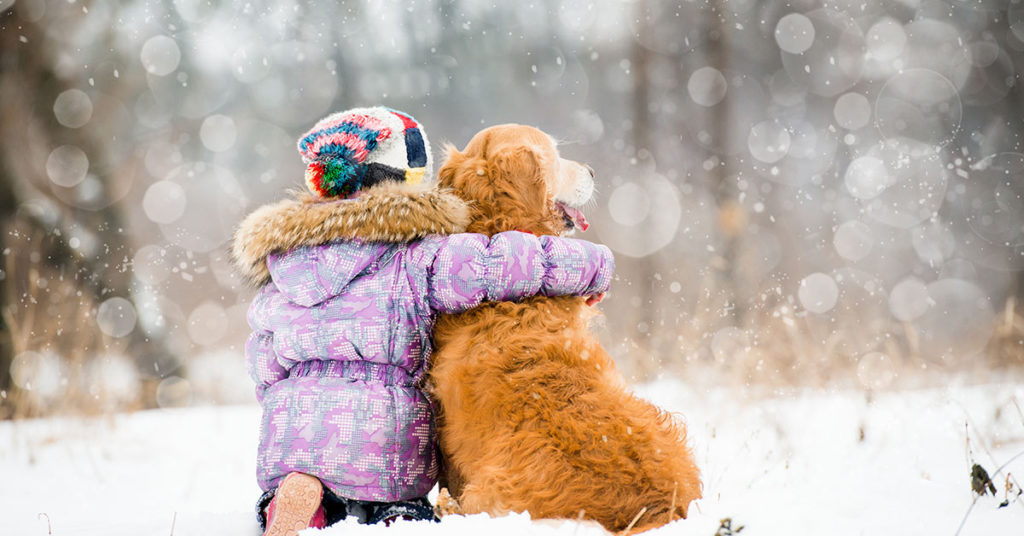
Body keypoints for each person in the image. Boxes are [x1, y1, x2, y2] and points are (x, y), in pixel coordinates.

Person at [231, 107, 614, 535]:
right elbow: (503, 264)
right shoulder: (418, 255)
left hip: (292, 434)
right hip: (384, 440)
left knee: (301, 480)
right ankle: (397, 516)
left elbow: (262, 362)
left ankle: (302, 498)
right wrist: (593, 265)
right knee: (404, 510)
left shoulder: (283, 268)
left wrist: (292, 402)